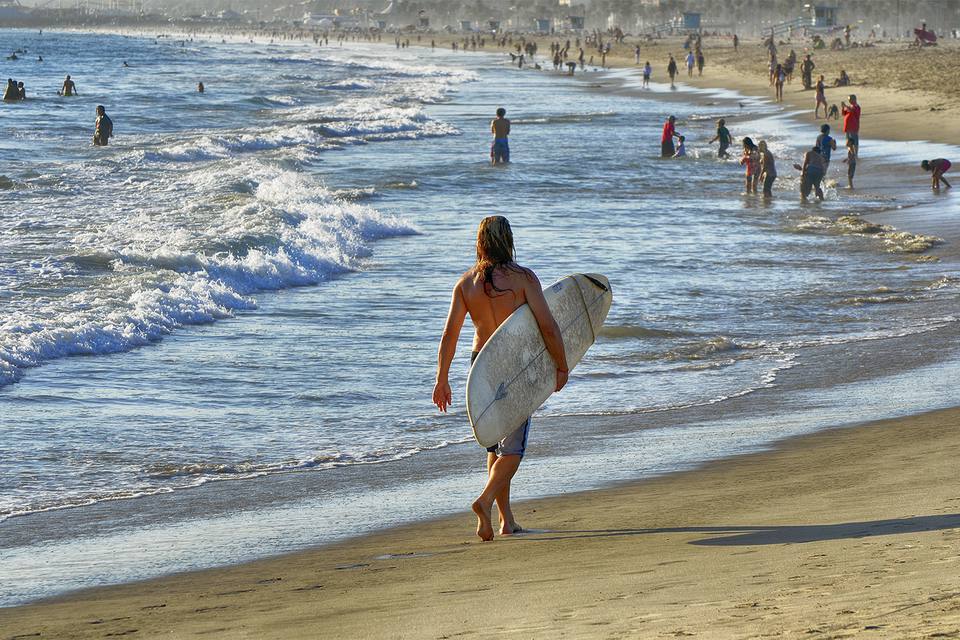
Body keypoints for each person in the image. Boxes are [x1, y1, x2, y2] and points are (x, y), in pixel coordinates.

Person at [432, 216, 568, 541]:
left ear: (479, 241)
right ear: (508, 239)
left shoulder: (466, 284)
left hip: (481, 365)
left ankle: (505, 520)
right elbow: (548, 326)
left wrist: (442, 379)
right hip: (514, 363)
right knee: (513, 449)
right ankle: (484, 500)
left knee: (494, 442)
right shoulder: (523, 279)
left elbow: (450, 334)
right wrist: (561, 365)